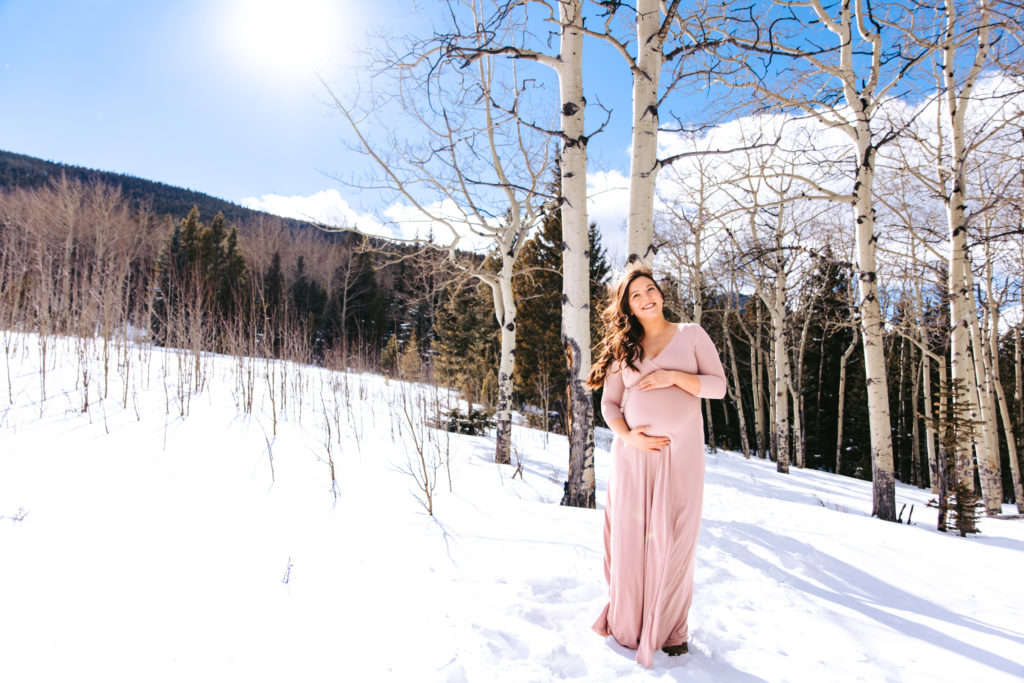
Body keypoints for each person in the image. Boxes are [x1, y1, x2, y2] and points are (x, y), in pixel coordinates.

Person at [587, 265, 726, 668]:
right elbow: (609, 404)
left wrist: (673, 376)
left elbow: (717, 386)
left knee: (675, 540)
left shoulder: (691, 335)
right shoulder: (623, 349)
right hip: (633, 457)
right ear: (627, 306)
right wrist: (629, 437)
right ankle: (628, 626)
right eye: (636, 295)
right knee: (630, 540)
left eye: (651, 289)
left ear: (660, 293)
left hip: (680, 456)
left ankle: (671, 631)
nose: (646, 297)